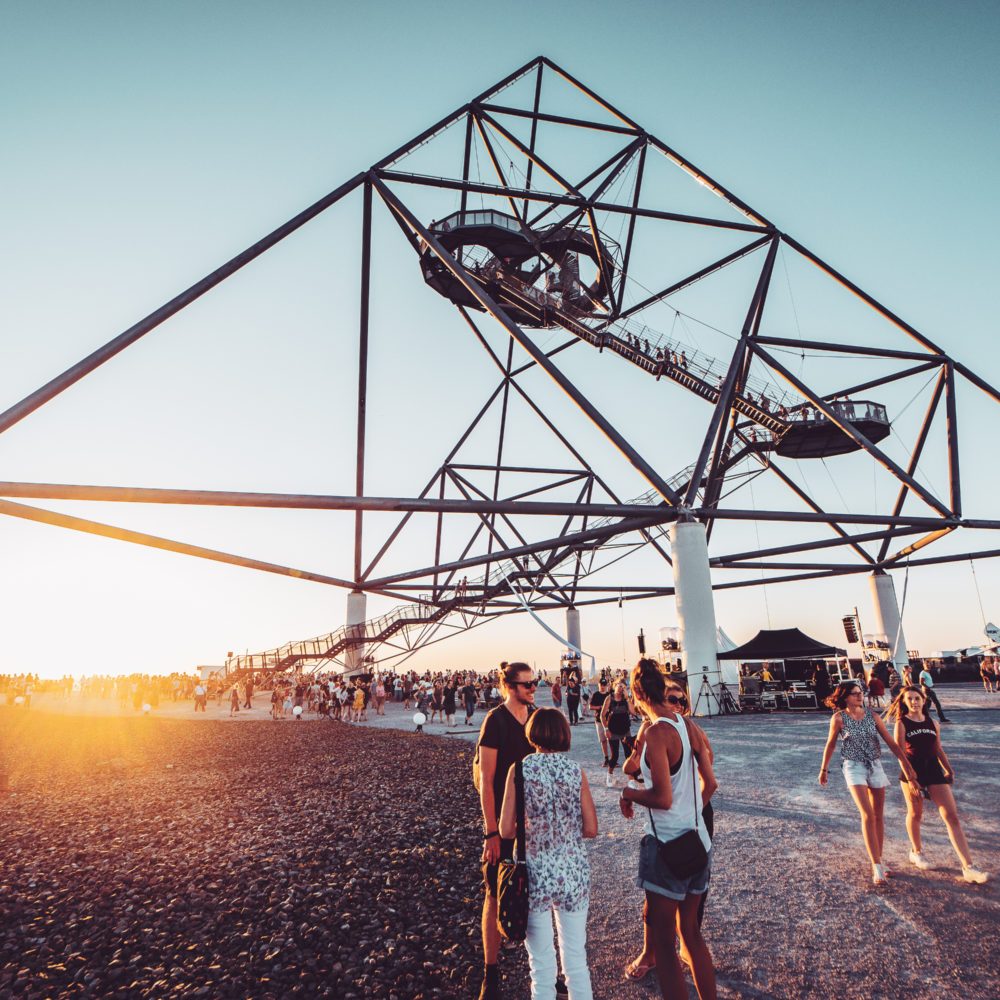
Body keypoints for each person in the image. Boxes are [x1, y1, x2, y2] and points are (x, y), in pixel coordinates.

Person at [619, 658, 718, 1000]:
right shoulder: (685, 724)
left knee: (663, 940)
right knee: (690, 932)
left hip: (667, 848)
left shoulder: (658, 731)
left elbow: (661, 798)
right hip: (698, 842)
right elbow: (711, 783)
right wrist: (690, 814)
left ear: (637, 694)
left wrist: (629, 793)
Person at [499, 708, 597, 1000]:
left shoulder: (520, 770)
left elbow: (505, 829)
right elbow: (591, 828)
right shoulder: (575, 770)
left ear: (533, 733)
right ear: (563, 733)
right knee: (576, 958)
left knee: (540, 964)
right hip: (573, 872)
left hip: (535, 873)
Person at [476, 662, 538, 1000]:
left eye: (534, 683)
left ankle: (543, 969)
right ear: (509, 687)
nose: (532, 689)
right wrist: (491, 833)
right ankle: (492, 971)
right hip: (503, 824)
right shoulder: (495, 722)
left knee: (539, 897)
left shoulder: (538, 717)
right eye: (527, 685)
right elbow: (486, 780)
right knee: (495, 894)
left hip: (536, 827)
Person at [818, 680, 918, 884]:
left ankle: (879, 859)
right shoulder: (839, 718)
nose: (859, 696)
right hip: (853, 767)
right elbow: (830, 744)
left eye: (860, 693)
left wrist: (907, 767)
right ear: (845, 696)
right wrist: (824, 769)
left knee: (878, 816)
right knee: (867, 814)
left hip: (875, 765)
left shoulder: (872, 716)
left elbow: (891, 743)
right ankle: (876, 866)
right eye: (854, 693)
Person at [886, 686, 989, 883]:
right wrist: (911, 777)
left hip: (934, 771)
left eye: (917, 698)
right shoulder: (902, 723)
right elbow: (899, 752)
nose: (914, 702)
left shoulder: (933, 722)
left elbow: (938, 748)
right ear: (904, 702)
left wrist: (948, 769)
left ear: (924, 700)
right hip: (912, 772)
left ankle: (968, 867)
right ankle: (916, 852)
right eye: (910, 699)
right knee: (916, 813)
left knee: (952, 816)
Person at [601, 681, 636, 787]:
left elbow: (634, 712)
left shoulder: (626, 700)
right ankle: (610, 774)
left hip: (625, 730)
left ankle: (631, 780)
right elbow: (602, 715)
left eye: (624, 687)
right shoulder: (609, 699)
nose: (621, 688)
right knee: (615, 756)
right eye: (620, 686)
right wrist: (606, 729)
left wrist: (628, 698)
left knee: (628, 755)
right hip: (613, 731)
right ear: (614, 686)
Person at [589, 679, 611, 767]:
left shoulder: (609, 695)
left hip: (609, 720)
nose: (603, 686)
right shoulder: (596, 695)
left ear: (607, 685)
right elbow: (590, 707)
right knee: (603, 740)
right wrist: (600, 707)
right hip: (599, 720)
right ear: (598, 685)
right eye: (601, 684)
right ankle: (606, 758)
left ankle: (613, 759)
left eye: (604, 684)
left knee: (612, 740)